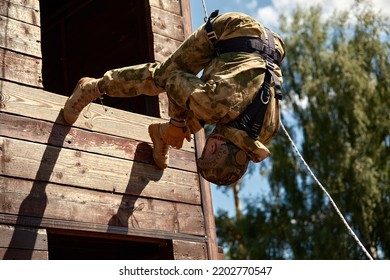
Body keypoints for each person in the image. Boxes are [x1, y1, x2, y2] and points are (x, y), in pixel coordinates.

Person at [62, 11, 285, 185]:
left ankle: (162, 135)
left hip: (271, 46)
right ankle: (94, 86)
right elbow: (176, 80)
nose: (205, 145)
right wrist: (178, 124)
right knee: (161, 77)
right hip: (231, 30)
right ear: (215, 150)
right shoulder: (215, 107)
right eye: (207, 149)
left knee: (203, 111)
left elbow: (227, 106)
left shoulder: (265, 133)